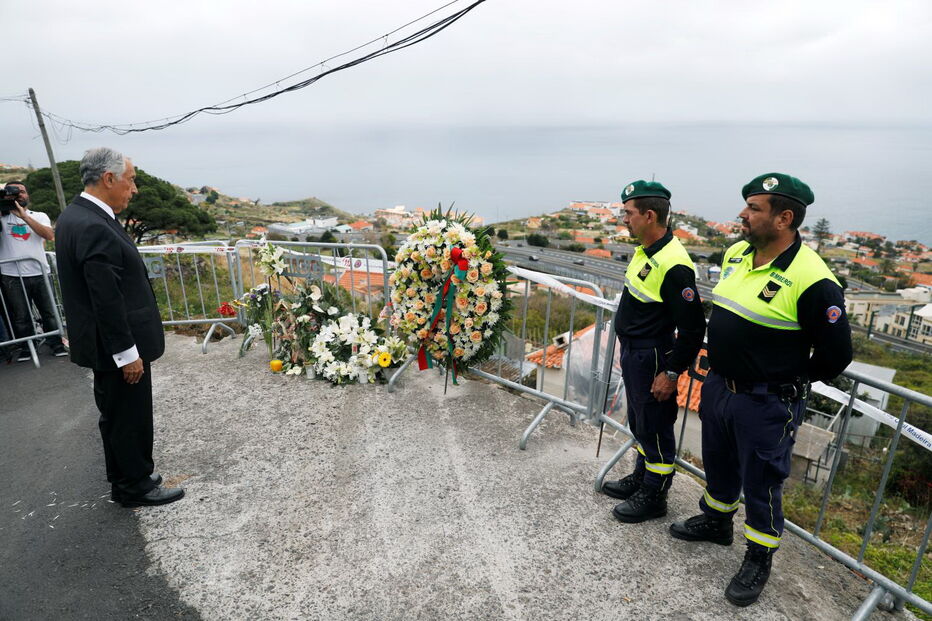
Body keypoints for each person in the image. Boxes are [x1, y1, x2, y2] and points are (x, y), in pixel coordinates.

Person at [669, 173, 852, 606]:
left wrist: (788, 378)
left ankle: (758, 557)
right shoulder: (737, 253)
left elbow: (837, 355)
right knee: (719, 463)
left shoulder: (814, 279)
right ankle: (716, 521)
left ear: (784, 218)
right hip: (719, 387)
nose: (742, 214)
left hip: (767, 401)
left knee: (762, 482)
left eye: (754, 208)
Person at [55, 147, 184, 508]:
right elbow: (106, 299)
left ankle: (130, 475)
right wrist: (128, 355)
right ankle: (134, 486)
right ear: (109, 179)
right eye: (131, 180)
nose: (135, 189)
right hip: (115, 345)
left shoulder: (76, 217)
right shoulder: (93, 225)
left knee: (117, 416)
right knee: (129, 418)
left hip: (102, 343)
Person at [605, 180, 705, 523]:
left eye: (628, 213)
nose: (623, 219)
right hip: (635, 353)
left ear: (649, 215)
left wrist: (672, 372)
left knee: (657, 427)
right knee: (641, 423)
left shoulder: (674, 263)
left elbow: (693, 328)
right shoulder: (646, 250)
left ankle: (654, 495)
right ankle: (641, 476)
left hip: (653, 357)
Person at [0, 181, 67, 361]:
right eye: (14, 192)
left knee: (49, 311)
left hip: (39, 272)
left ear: (28, 195)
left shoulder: (39, 215)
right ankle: (27, 347)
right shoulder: (1, 218)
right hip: (11, 275)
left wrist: (24, 217)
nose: (19, 195)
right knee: (21, 315)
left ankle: (56, 343)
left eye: (22, 191)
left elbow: (49, 235)